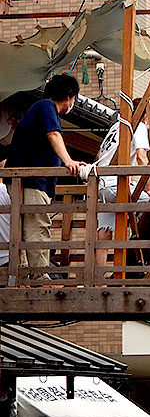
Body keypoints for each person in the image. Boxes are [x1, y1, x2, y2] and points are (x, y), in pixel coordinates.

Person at [6, 74, 84, 281]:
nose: (72, 104)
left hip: (23, 180)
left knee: (21, 228)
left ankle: (22, 276)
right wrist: (69, 161)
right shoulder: (47, 107)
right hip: (31, 180)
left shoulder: (39, 108)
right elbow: (54, 135)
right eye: (73, 98)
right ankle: (39, 277)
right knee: (36, 226)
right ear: (68, 96)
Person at [94, 98, 150, 268]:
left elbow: (98, 156)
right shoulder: (137, 126)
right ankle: (138, 252)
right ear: (145, 115)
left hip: (102, 186)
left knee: (104, 233)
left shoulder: (116, 127)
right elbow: (142, 157)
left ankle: (99, 280)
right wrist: (149, 188)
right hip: (116, 185)